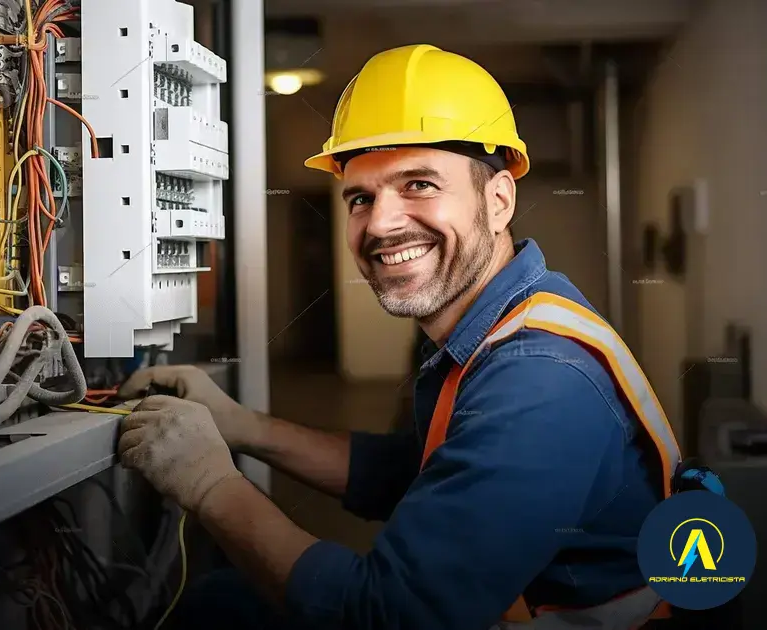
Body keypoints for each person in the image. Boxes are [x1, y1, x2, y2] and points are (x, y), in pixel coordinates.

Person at [116, 44, 682, 629]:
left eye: (418, 184)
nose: (380, 224)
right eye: (361, 197)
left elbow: (388, 617)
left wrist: (209, 483)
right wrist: (241, 426)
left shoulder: (538, 379)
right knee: (224, 601)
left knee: (220, 611)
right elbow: (411, 470)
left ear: (498, 201)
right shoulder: (507, 320)